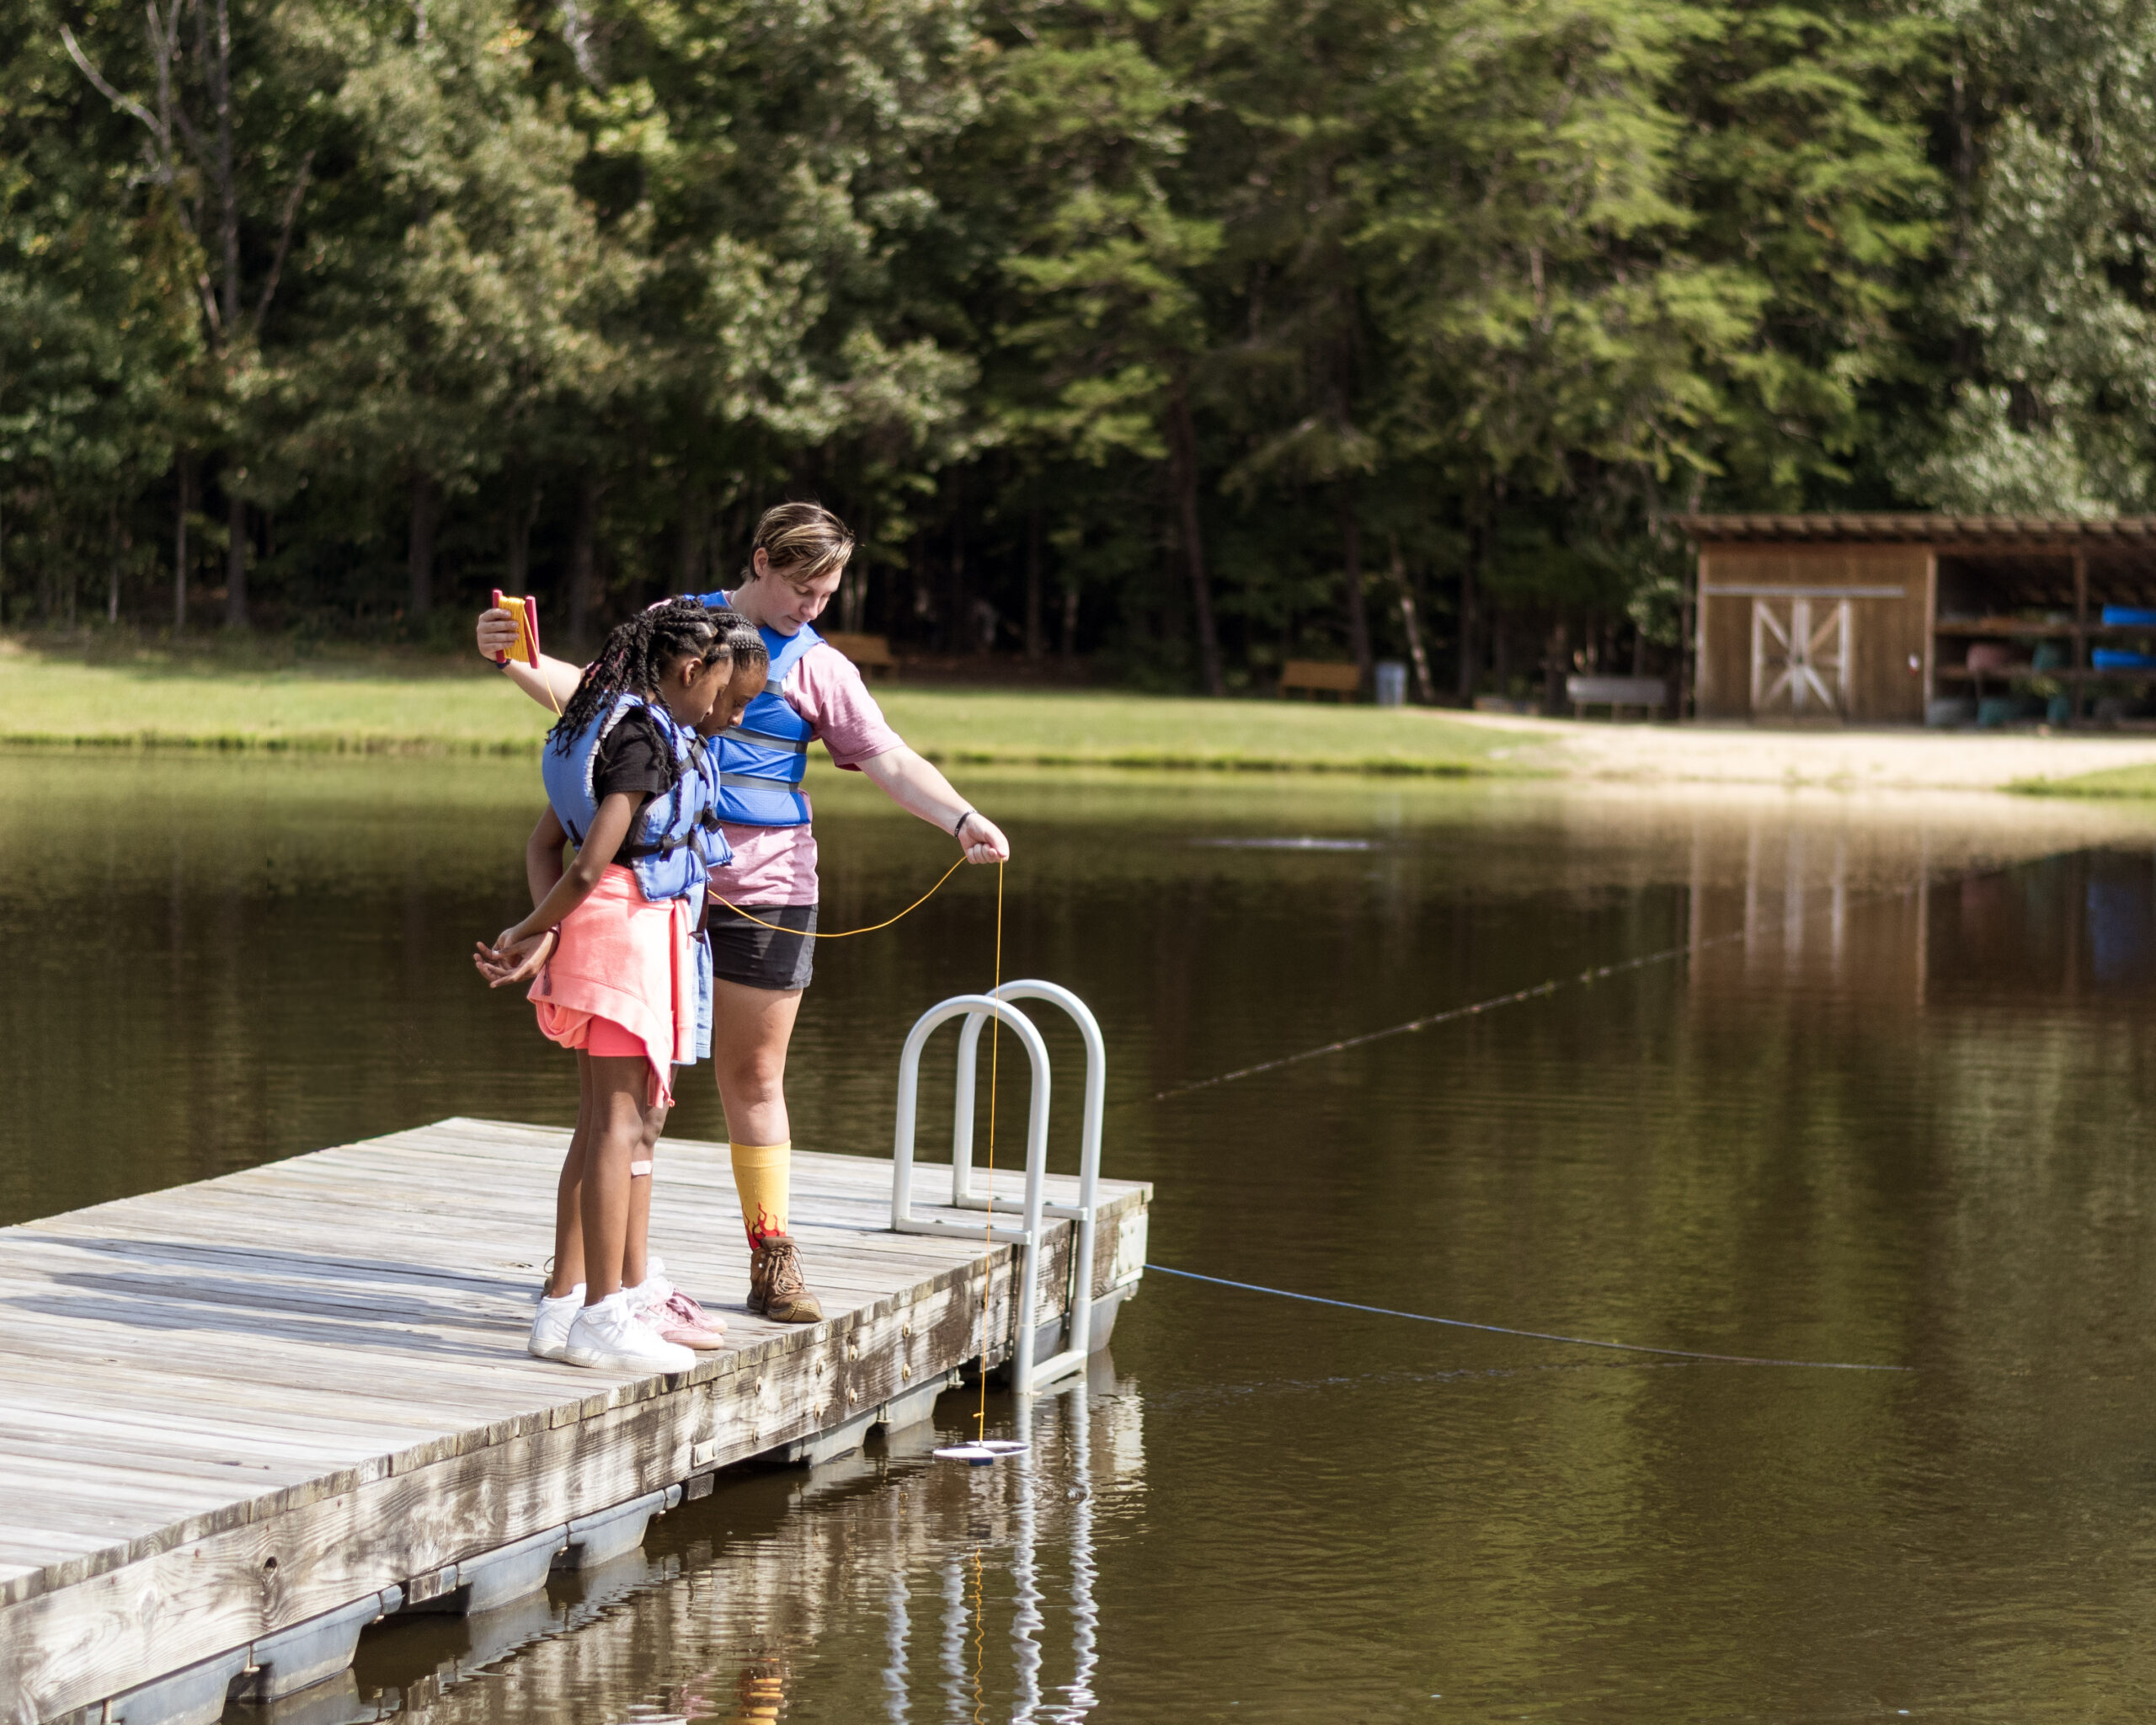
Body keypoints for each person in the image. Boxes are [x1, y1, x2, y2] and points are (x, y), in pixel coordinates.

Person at [477, 503, 1011, 1323]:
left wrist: (963, 818)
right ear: (760, 561)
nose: (811, 606)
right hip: (662, 884)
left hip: (771, 887)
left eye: (826, 593)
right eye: (801, 587)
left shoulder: (822, 668)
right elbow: (596, 701)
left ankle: (771, 1256)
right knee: (634, 1097)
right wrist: (516, 658)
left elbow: (888, 757)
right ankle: (590, 1278)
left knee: (754, 1075)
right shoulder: (679, 626)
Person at [474, 598, 736, 1375]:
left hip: (594, 937)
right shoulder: (643, 742)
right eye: (724, 694)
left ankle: (564, 1307)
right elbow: (587, 864)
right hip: (627, 940)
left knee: (600, 1123)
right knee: (622, 1124)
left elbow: (543, 840)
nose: (724, 711)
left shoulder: (600, 721)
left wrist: (547, 932)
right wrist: (529, 931)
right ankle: (604, 1316)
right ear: (689, 671)